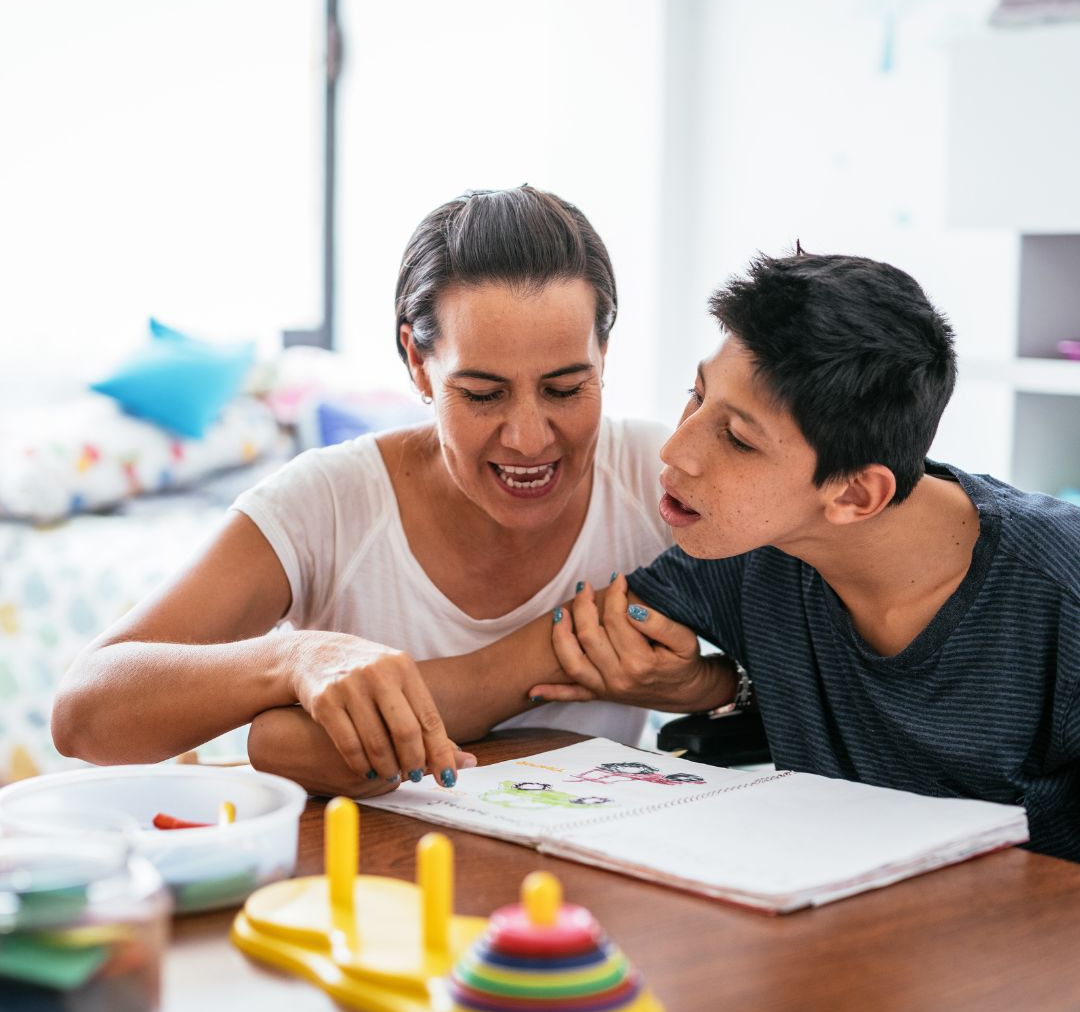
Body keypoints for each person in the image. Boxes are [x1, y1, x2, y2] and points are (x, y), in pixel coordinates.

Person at [260, 247, 1080, 864]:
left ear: (856, 495)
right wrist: (297, 673)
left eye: (736, 438)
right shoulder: (742, 552)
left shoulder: (1057, 596)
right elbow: (457, 694)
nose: (677, 450)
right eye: (697, 395)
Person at [50, 185, 676, 796]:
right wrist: (296, 660)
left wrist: (714, 685)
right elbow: (83, 714)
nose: (529, 438)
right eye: (483, 395)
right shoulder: (328, 503)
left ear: (603, 352)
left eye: (566, 388)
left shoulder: (660, 476)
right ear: (416, 361)